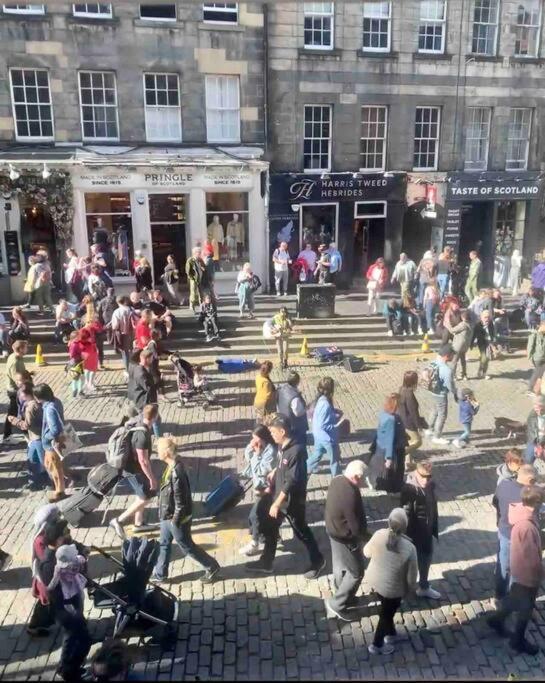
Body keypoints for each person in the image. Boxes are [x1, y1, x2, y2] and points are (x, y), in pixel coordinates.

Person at [245, 414, 325, 577]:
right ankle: (266, 562)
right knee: (270, 527)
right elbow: (285, 466)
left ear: (282, 431)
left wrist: (276, 504)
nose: (271, 436)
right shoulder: (284, 445)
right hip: (279, 497)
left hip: (291, 502)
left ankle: (318, 561)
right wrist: (276, 471)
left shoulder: (296, 451)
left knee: (301, 531)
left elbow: (292, 481)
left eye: (274, 432)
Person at [151, 437, 220, 584]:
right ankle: (160, 574)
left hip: (176, 518)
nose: (156, 452)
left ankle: (211, 566)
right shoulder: (172, 467)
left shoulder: (177, 472)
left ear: (166, 453)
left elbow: (181, 502)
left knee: (187, 546)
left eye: (159, 449)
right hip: (167, 515)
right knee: (164, 543)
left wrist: (175, 521)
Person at [488, 485, 544, 655]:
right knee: (525, 607)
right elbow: (531, 556)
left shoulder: (524, 516)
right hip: (526, 573)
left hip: (520, 571)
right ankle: (517, 640)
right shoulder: (526, 526)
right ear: (536, 503)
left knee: (515, 599)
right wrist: (539, 573)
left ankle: (496, 620)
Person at [38, 519, 91, 681]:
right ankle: (69, 670)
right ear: (58, 539)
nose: (70, 534)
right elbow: (55, 590)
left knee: (74, 635)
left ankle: (67, 665)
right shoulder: (49, 564)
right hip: (65, 607)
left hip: (74, 599)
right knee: (79, 638)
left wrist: (82, 552)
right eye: (66, 532)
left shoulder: (65, 547)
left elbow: (78, 548)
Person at [363, 508, 418, 655]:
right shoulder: (410, 548)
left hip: (375, 581)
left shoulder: (379, 534)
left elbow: (366, 552)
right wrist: (410, 589)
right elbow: (412, 576)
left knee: (387, 610)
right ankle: (377, 644)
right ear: (406, 526)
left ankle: (391, 634)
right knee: (386, 614)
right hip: (394, 589)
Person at [324, 460, 368, 621]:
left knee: (340, 567)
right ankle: (337, 604)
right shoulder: (350, 493)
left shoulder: (337, 480)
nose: (363, 483)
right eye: (362, 479)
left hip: (332, 531)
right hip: (345, 538)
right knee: (356, 572)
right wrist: (367, 538)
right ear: (356, 476)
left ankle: (344, 594)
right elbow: (355, 526)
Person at [109, 404, 159, 538]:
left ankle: (139, 523)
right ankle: (118, 520)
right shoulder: (142, 435)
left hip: (134, 467)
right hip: (133, 470)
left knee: (141, 494)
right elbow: (143, 461)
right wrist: (152, 478)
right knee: (146, 497)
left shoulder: (140, 422)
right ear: (155, 417)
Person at [492, 463, 537, 602]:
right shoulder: (530, 495)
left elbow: (495, 502)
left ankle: (499, 596)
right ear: (530, 481)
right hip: (521, 538)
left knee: (502, 566)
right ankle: (512, 597)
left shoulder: (503, 485)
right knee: (518, 569)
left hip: (504, 532)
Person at [400, 461, 440, 600]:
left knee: (426, 560)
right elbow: (405, 515)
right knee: (410, 565)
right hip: (413, 535)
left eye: (429, 477)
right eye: (423, 477)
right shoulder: (409, 490)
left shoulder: (430, 486)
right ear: (416, 473)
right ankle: (402, 590)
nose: (426, 480)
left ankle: (424, 587)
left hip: (427, 533)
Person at [239, 425, 278, 556]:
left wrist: (257, 454)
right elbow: (247, 456)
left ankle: (255, 543)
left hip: (267, 489)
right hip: (259, 488)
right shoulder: (259, 446)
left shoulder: (270, 452)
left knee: (255, 516)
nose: (253, 442)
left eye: (256, 439)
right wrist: (252, 448)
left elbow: (261, 471)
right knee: (261, 516)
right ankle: (267, 537)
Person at [8, 382, 48, 491]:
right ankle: (35, 482)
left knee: (41, 462)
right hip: (37, 437)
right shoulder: (39, 402)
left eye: (21, 394)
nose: (20, 396)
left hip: (37, 438)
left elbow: (26, 425)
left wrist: (14, 420)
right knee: (34, 460)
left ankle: (47, 482)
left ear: (25, 395)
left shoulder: (31, 407)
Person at [34, 384, 68, 502]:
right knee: (53, 466)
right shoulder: (56, 401)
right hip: (55, 443)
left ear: (39, 398)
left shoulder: (49, 409)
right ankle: (60, 489)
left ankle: (60, 492)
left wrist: (46, 437)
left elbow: (55, 429)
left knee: (54, 468)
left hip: (51, 445)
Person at [368, 393, 407, 493]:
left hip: (380, 446)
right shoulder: (391, 420)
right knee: (395, 470)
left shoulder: (383, 414)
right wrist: (389, 458)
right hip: (393, 448)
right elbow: (390, 438)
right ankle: (395, 489)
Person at [423, 344, 458, 445]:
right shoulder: (446, 370)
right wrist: (455, 392)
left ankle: (429, 429)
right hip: (441, 394)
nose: (453, 357)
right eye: (452, 355)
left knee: (434, 411)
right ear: (447, 356)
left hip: (432, 391)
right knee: (442, 415)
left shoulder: (433, 363)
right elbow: (450, 385)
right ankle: (437, 436)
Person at [307, 377, 342, 477]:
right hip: (327, 437)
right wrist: (337, 426)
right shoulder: (325, 404)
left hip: (318, 435)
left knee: (317, 454)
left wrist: (334, 413)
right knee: (335, 460)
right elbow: (324, 425)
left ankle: (305, 468)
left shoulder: (320, 400)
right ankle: (338, 479)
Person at [2, 339, 28, 445]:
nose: (27, 349)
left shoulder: (18, 357)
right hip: (15, 391)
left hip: (18, 390)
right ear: (21, 349)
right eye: (25, 347)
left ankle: (26, 432)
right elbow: (17, 379)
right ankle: (7, 436)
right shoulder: (15, 361)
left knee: (21, 411)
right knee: (13, 412)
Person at [276, 370, 308, 445]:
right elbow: (298, 413)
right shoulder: (294, 398)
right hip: (295, 426)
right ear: (297, 382)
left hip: (284, 420)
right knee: (299, 444)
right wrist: (306, 408)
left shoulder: (281, 388)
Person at [398, 371, 424, 461]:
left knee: (409, 441)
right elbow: (413, 413)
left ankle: (407, 462)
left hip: (402, 420)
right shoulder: (409, 395)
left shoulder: (401, 389)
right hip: (409, 423)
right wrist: (419, 426)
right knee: (417, 441)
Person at [111, 296, 136, 375]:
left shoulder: (117, 312)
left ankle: (127, 370)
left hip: (123, 335)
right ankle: (134, 368)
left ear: (118, 302)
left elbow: (115, 326)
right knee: (132, 351)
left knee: (125, 353)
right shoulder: (132, 309)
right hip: (133, 333)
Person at [472, 309, 496, 380]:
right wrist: (471, 344)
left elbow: (493, 333)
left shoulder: (491, 323)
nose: (487, 319)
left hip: (489, 343)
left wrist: (494, 341)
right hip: (481, 343)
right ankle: (480, 373)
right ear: (481, 317)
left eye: (488, 317)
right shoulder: (478, 325)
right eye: (485, 317)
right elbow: (474, 335)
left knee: (487, 359)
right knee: (484, 358)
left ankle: (484, 372)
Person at [449, 310, 472, 380]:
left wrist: (449, 325)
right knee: (463, 361)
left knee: (454, 361)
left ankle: (453, 376)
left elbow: (452, 330)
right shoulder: (470, 324)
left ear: (463, 317)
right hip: (465, 346)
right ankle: (464, 375)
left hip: (458, 346)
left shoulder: (462, 324)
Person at [525, 394, 545, 465]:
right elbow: (530, 431)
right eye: (536, 410)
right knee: (527, 461)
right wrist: (536, 445)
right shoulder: (532, 415)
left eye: (542, 409)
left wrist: (542, 445)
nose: (539, 412)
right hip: (534, 441)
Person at [79, 327, 99, 394]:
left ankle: (87, 382)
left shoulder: (79, 343)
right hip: (92, 357)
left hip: (84, 358)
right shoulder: (91, 343)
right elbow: (95, 349)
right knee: (92, 370)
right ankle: (90, 383)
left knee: (86, 370)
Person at [527, 321, 545, 392]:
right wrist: (530, 358)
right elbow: (530, 347)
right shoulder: (534, 334)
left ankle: (537, 388)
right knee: (537, 374)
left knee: (539, 374)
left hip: (543, 357)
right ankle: (530, 388)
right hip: (538, 358)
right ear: (542, 326)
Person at [185, 247, 205, 313]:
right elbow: (188, 271)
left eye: (200, 252)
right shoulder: (190, 260)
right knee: (193, 292)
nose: (200, 254)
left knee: (201, 292)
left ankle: (202, 306)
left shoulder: (200, 260)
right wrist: (192, 278)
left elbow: (204, 267)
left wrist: (203, 268)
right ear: (195, 253)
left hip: (200, 278)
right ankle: (192, 305)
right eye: (199, 252)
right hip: (194, 279)